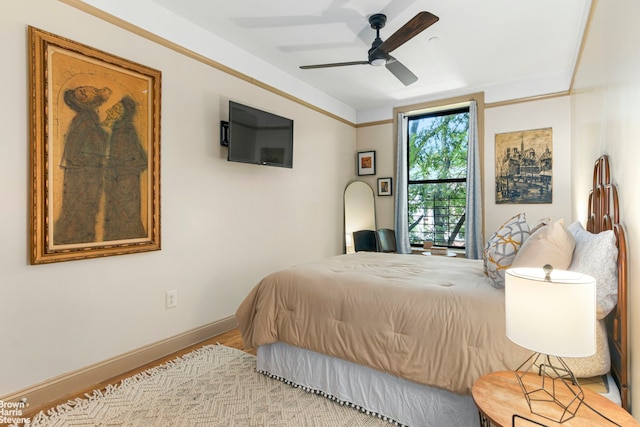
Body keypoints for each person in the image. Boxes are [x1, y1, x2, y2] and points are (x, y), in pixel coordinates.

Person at [54, 86, 111, 245]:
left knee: (86, 211)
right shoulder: (85, 120)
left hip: (88, 173)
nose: (87, 91)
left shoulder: (90, 118)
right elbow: (79, 152)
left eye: (88, 89)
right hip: (83, 175)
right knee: (80, 211)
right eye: (82, 92)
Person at [102, 96, 148, 241]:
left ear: (123, 114)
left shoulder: (124, 132)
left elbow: (138, 161)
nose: (110, 110)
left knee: (125, 216)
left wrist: (112, 167)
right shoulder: (119, 130)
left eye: (115, 109)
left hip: (125, 186)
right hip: (121, 183)